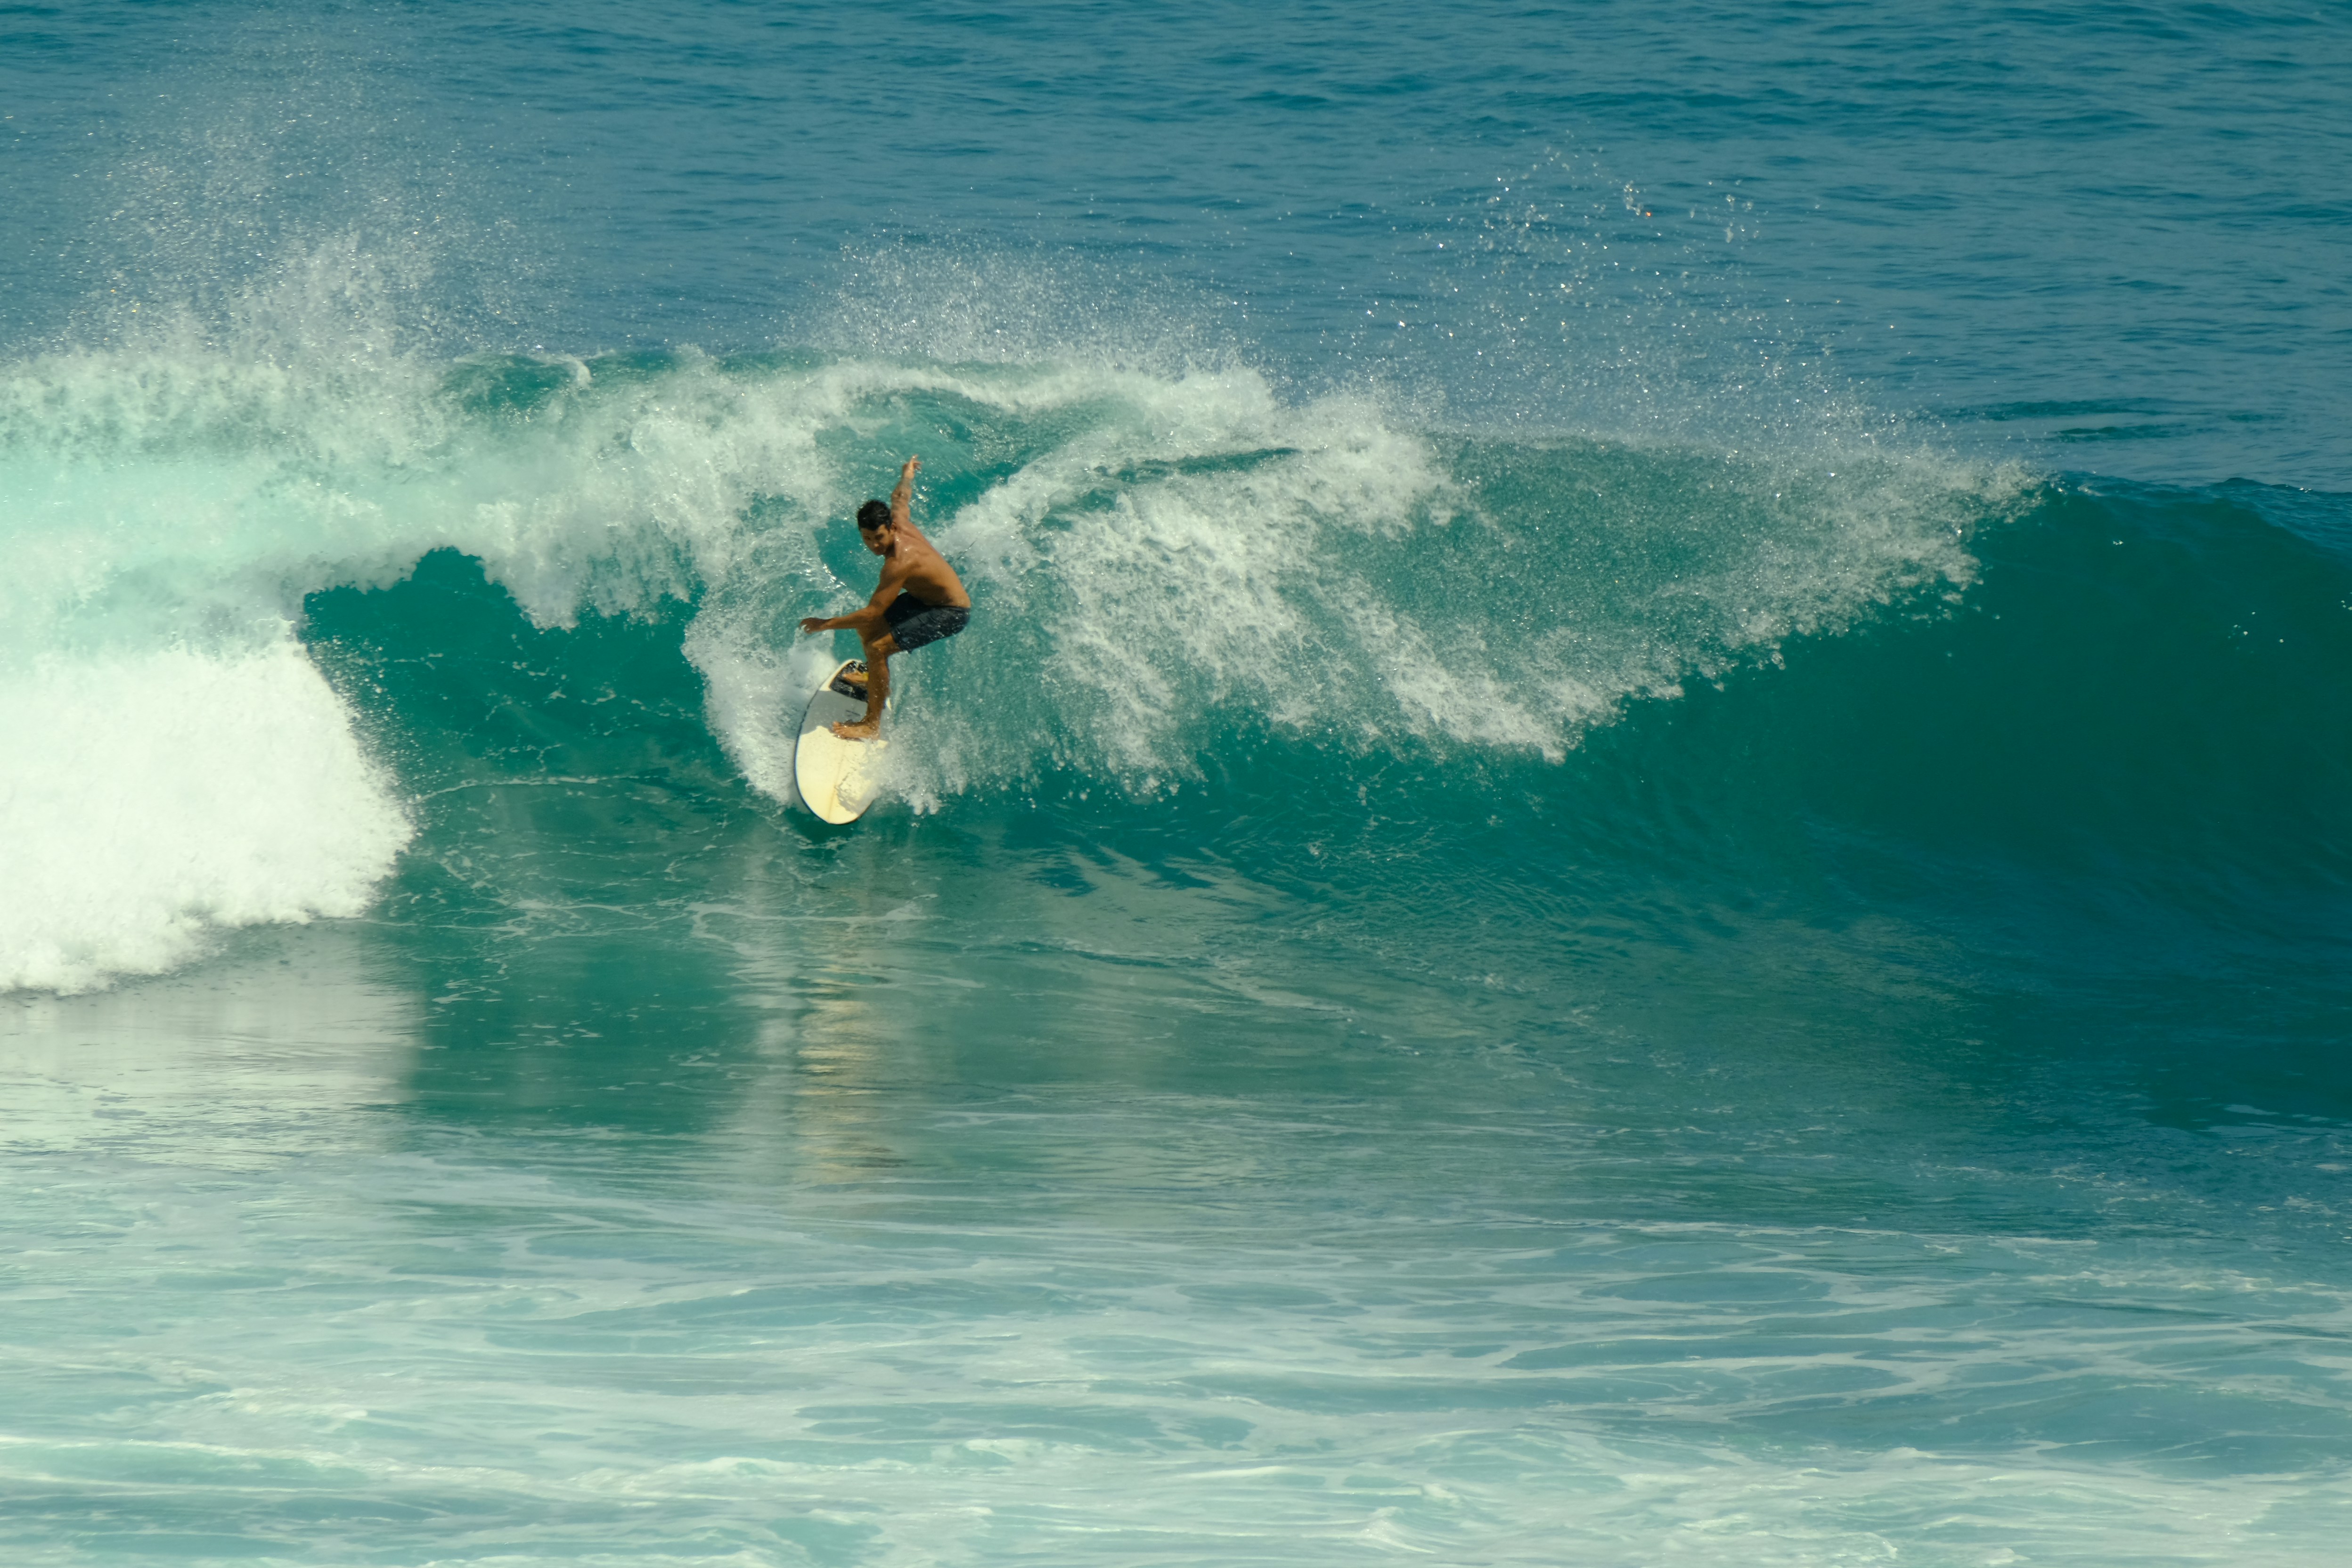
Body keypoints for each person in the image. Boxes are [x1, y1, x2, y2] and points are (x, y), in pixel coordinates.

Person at [798, 456, 971, 739]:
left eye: (878, 537)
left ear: (891, 529)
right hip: (927, 600)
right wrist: (907, 475)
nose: (874, 545)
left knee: (878, 647)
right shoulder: (897, 518)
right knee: (867, 631)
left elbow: (873, 612)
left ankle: (871, 725)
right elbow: (900, 497)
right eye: (867, 539)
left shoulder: (899, 563)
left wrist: (825, 624)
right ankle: (873, 679)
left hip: (951, 612)